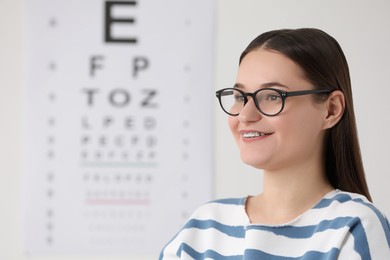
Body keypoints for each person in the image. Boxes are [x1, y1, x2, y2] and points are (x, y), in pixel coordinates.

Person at [159, 28, 390, 259]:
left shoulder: (355, 226)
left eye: (271, 96)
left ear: (331, 110)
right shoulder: (203, 228)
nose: (245, 115)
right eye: (240, 97)